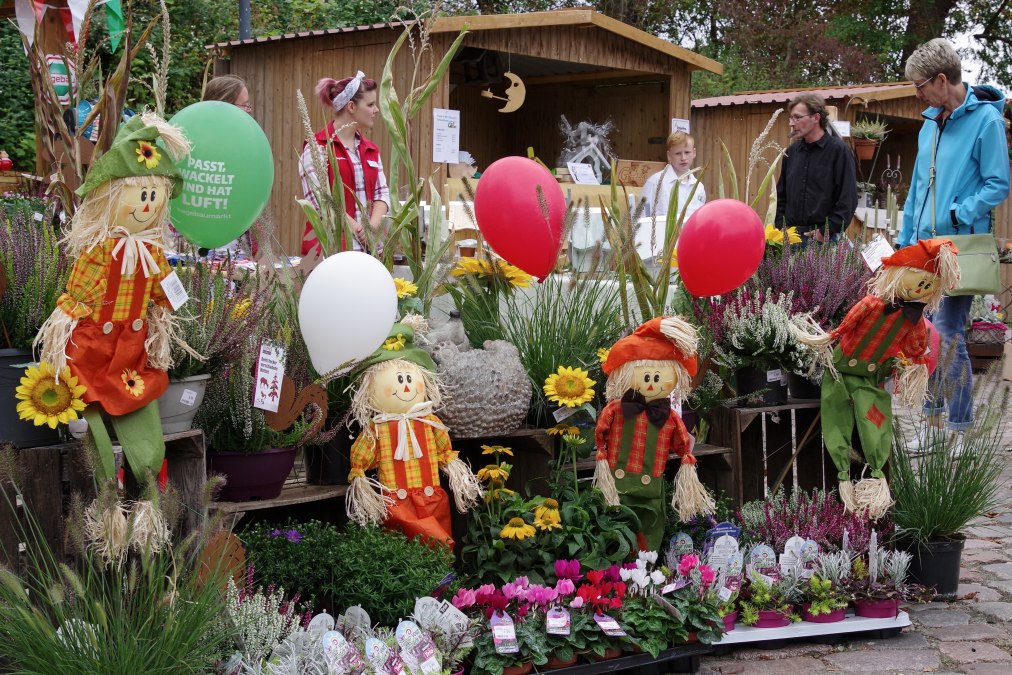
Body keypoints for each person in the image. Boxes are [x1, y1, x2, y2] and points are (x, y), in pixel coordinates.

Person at [898, 38, 1010, 446]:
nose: (917, 94)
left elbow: (999, 182)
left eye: (921, 86)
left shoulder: (987, 122)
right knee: (925, 333)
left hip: (959, 249)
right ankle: (931, 427)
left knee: (947, 332)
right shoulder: (930, 123)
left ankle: (959, 429)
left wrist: (960, 212)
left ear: (942, 80)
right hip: (924, 249)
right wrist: (903, 240)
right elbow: (915, 189)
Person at [299, 71, 390, 256]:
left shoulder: (370, 149)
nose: (376, 110)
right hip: (332, 254)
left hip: (371, 251)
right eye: (371, 104)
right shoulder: (316, 148)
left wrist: (371, 227)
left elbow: (383, 193)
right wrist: (359, 230)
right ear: (351, 107)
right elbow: (320, 201)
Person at [774, 92, 858, 244]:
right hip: (790, 240)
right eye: (791, 118)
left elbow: (848, 199)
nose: (791, 123)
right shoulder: (791, 152)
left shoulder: (838, 151)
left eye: (797, 117)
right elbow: (781, 196)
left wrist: (826, 231)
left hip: (823, 241)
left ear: (816, 117)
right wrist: (781, 228)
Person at [640, 131, 706, 220]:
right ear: (669, 155)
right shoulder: (655, 182)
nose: (683, 158)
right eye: (678, 153)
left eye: (687, 152)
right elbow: (641, 219)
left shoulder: (699, 188)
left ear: (694, 153)